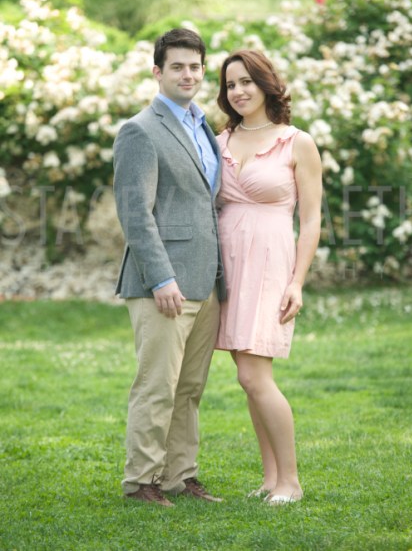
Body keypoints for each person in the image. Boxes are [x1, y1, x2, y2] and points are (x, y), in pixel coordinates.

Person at [113, 28, 226, 508]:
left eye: (195, 66)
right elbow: (135, 213)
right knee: (157, 385)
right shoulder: (140, 130)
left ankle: (180, 475)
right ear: (157, 72)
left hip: (205, 281)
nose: (188, 75)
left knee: (190, 388)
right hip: (162, 284)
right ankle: (141, 480)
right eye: (177, 66)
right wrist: (161, 277)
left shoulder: (203, 126)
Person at [215, 49, 322, 506]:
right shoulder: (219, 139)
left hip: (270, 263)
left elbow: (312, 219)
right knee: (247, 377)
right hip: (228, 263)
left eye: (246, 82)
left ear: (265, 84)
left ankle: (291, 482)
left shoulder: (297, 142)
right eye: (230, 84)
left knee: (255, 375)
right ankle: (270, 477)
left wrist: (297, 281)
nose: (238, 91)